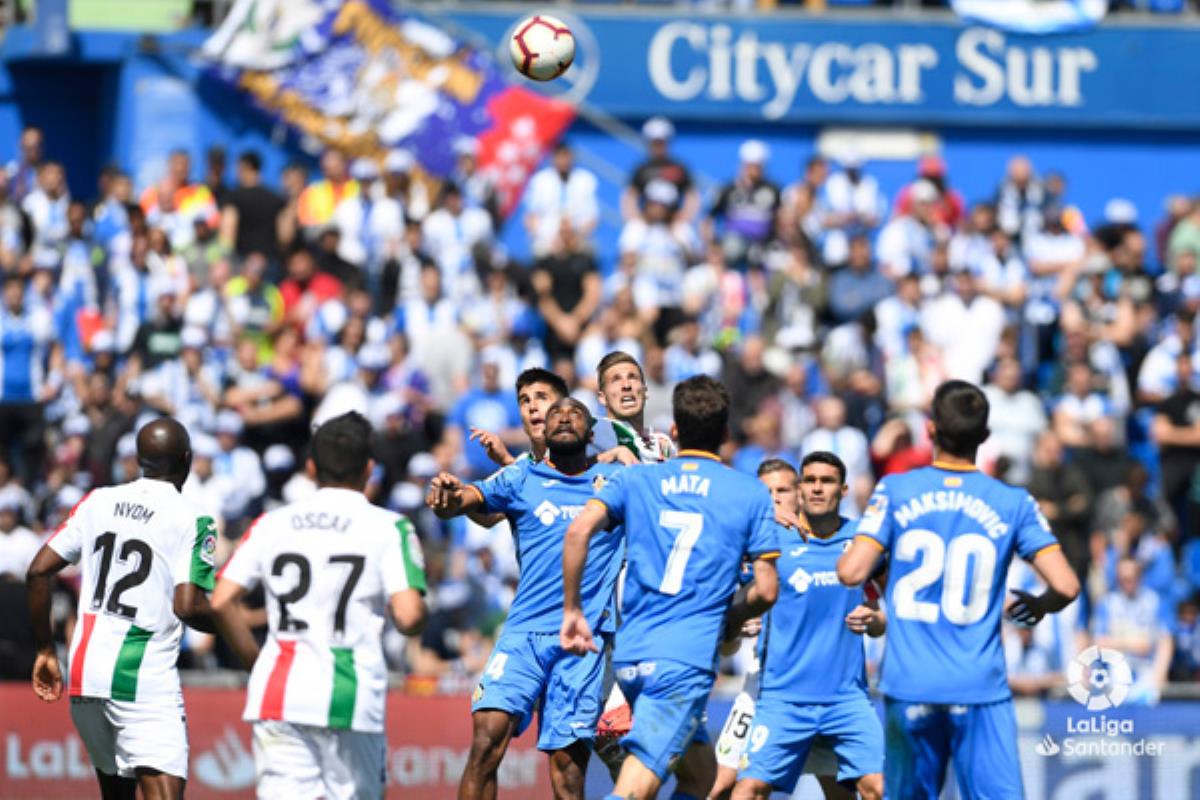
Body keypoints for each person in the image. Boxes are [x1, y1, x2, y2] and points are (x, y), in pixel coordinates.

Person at [838, 380, 1081, 799]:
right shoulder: (1013, 502)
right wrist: (1041, 605)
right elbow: (1066, 585)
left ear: (930, 429)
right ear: (984, 436)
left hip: (910, 683)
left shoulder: (896, 490)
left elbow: (850, 571)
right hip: (980, 687)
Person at [561, 375, 782, 800]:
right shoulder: (749, 492)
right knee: (634, 789)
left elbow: (577, 532)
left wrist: (572, 610)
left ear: (675, 430)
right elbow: (767, 591)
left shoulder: (637, 480)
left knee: (702, 779)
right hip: (683, 661)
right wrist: (730, 617)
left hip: (631, 656)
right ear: (726, 434)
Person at [211, 411, 427, 800]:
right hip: (349, 694)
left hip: (279, 691)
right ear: (369, 469)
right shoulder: (389, 527)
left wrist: (256, 662)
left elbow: (222, 600)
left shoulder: (271, 523)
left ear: (311, 468)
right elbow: (409, 617)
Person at [426, 397, 624, 800]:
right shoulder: (521, 476)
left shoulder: (617, 483)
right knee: (485, 743)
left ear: (590, 433)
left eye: (575, 413)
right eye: (555, 414)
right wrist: (447, 499)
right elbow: (464, 501)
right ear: (543, 433)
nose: (564, 417)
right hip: (522, 637)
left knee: (568, 772)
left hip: (581, 643)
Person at [25, 417, 219, 800]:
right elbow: (188, 607)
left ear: (140, 459)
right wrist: (231, 621)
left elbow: (37, 571)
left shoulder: (97, 501)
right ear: (187, 459)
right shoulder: (193, 519)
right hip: (141, 676)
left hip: (85, 675)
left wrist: (46, 649)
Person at [712, 456, 885, 800]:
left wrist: (873, 619)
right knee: (733, 786)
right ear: (802, 489)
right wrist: (742, 617)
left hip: (843, 699)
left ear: (843, 489)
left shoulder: (862, 542)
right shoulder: (767, 543)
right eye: (811, 480)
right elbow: (728, 625)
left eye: (827, 481)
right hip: (778, 696)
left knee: (868, 790)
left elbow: (879, 620)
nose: (818, 488)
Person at [590, 350, 675, 465]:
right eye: (616, 379)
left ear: (645, 392)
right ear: (602, 398)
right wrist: (610, 455)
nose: (626, 385)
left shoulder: (663, 444)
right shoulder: (593, 435)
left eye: (632, 377)